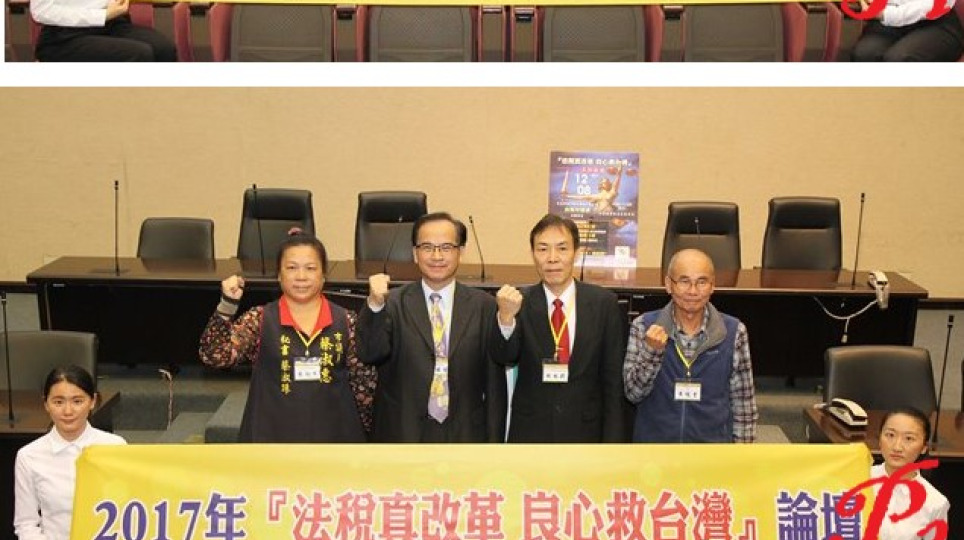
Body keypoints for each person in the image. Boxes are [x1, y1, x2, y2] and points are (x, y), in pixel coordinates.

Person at [199, 230, 376, 443]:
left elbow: (364, 386)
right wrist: (227, 305)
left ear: (323, 275)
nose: (301, 276)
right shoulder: (259, 319)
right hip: (272, 438)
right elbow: (216, 357)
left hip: (334, 439)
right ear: (279, 275)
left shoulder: (347, 321)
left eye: (310, 268)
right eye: (292, 268)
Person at [357, 212, 508, 443]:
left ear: (460, 252)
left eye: (446, 247)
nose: (437, 256)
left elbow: (494, 385)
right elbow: (369, 353)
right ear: (415, 254)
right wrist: (375, 306)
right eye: (427, 247)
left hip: (465, 434)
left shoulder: (484, 306)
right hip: (403, 434)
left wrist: (494, 443)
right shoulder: (391, 303)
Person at [493, 213, 628, 442]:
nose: (552, 258)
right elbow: (504, 357)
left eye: (562, 249)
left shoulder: (604, 304)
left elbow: (613, 382)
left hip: (587, 433)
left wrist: (613, 444)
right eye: (543, 249)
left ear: (577, 252)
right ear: (533, 254)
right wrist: (505, 318)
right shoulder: (518, 302)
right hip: (531, 434)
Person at [624, 248, 758, 443]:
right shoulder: (644, 326)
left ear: (712, 286)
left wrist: (741, 453)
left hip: (711, 450)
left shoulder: (734, 332)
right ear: (668, 284)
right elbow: (633, 394)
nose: (693, 291)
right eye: (684, 281)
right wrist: (651, 352)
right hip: (655, 448)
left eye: (702, 282)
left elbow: (744, 405)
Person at [14, 365, 126, 540]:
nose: (68, 411)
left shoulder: (115, 447)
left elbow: (127, 508)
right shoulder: (29, 456)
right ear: (46, 404)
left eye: (77, 401)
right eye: (58, 402)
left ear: (92, 401)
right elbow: (26, 524)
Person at [870, 407, 949, 540]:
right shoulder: (856, 479)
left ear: (924, 448)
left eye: (908, 438)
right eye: (890, 435)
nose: (897, 447)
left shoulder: (935, 503)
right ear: (879, 440)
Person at [30, 0, 177, 61]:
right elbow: (40, 11)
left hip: (112, 23)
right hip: (64, 36)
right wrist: (101, 15)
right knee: (139, 53)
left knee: (164, 49)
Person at [851, 0, 964, 61]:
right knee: (865, 54)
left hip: (935, 21)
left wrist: (885, 14)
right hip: (889, 17)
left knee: (900, 59)